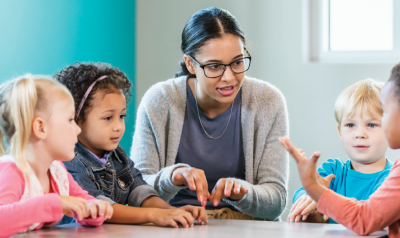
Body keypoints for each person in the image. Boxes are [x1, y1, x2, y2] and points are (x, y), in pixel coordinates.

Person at [131, 7, 289, 220]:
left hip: (246, 227)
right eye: (214, 66)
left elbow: (276, 202)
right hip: (175, 221)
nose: (229, 77)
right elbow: (134, 191)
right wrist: (172, 178)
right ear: (190, 64)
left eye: (237, 62)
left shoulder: (268, 101)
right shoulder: (160, 100)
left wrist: (243, 193)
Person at [55, 62, 207, 228]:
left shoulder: (117, 155)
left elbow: (138, 189)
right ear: (76, 119)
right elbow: (98, 208)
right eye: (108, 118)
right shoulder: (68, 162)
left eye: (121, 116)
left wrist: (171, 211)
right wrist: (154, 215)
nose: (119, 126)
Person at [280, 62, 400, 237]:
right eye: (350, 125)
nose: (360, 134)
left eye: (372, 124)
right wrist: (309, 198)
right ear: (339, 131)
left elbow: (366, 215)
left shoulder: (390, 178)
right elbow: (302, 194)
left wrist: (317, 192)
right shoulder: (334, 170)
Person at [0, 75, 112, 237]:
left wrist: (94, 209)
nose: (77, 129)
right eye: (70, 120)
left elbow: (82, 201)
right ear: (40, 128)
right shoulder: (12, 171)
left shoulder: (57, 172)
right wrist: (55, 203)